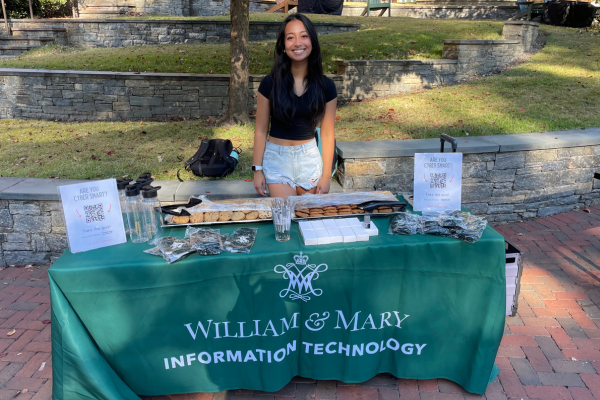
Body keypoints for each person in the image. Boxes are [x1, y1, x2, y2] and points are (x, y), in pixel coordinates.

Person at [252, 13, 337, 199]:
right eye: (290, 37)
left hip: (309, 158)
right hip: (277, 159)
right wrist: (257, 170)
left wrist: (326, 175)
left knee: (308, 219)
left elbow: (328, 133)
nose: (298, 43)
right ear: (283, 46)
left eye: (304, 36)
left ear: (312, 42)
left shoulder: (326, 87)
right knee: (285, 217)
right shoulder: (269, 84)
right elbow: (260, 130)